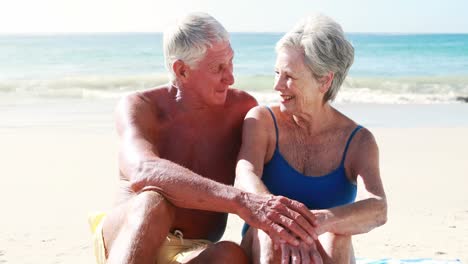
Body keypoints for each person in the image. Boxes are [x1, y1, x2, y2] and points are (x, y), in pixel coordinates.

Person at [89, 12, 320, 264]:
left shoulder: (241, 108)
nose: (230, 77)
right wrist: (242, 202)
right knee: (153, 203)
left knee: (230, 255)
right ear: (182, 70)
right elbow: (143, 170)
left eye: (231, 62)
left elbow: (264, 167)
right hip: (129, 235)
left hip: (193, 249)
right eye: (218, 68)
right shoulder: (141, 106)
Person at [236, 13, 387, 264]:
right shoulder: (262, 121)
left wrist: (319, 223)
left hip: (324, 248)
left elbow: (378, 208)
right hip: (264, 245)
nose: (277, 85)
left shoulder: (358, 142)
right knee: (272, 236)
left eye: (289, 77)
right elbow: (243, 174)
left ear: (324, 81)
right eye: (277, 73)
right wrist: (281, 220)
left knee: (337, 237)